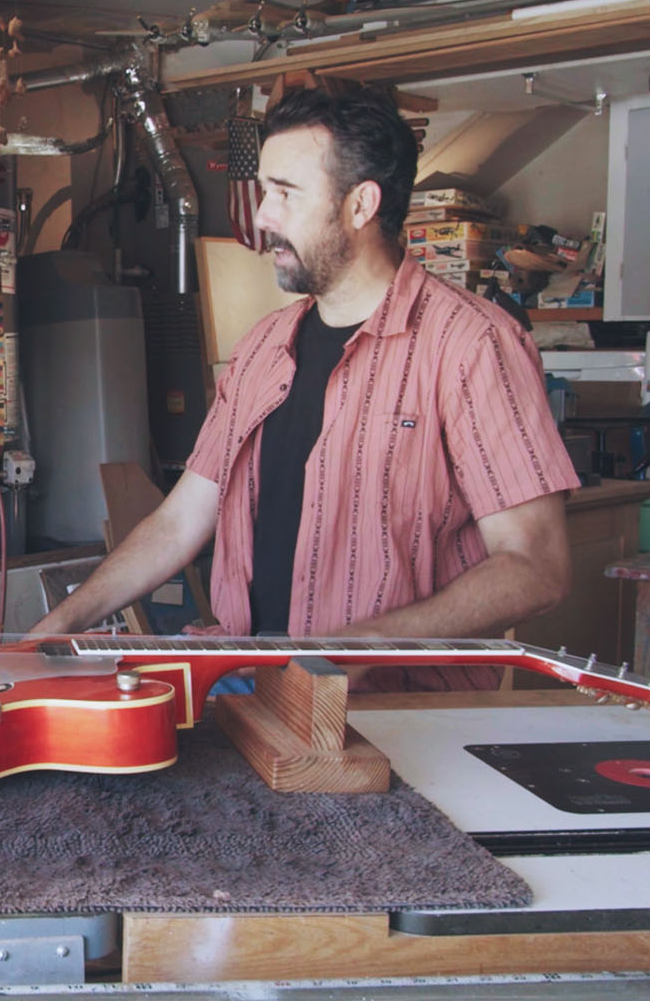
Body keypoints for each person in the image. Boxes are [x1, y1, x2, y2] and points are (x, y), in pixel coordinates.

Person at [30, 86, 577, 691]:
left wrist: (366, 643)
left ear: (361, 205)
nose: (263, 216)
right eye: (266, 191)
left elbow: (535, 567)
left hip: (389, 714)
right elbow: (179, 522)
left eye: (285, 193)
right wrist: (51, 632)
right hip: (248, 681)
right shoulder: (263, 346)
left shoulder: (472, 346)